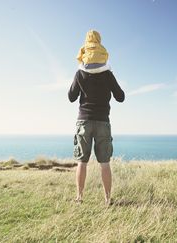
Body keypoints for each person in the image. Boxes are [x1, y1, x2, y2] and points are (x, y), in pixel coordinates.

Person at [68, 29, 125, 205]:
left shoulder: (79, 73)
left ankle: (79, 198)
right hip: (102, 121)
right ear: (100, 45)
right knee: (105, 163)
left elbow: (71, 97)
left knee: (82, 162)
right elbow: (120, 97)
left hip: (84, 120)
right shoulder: (108, 74)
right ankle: (107, 200)